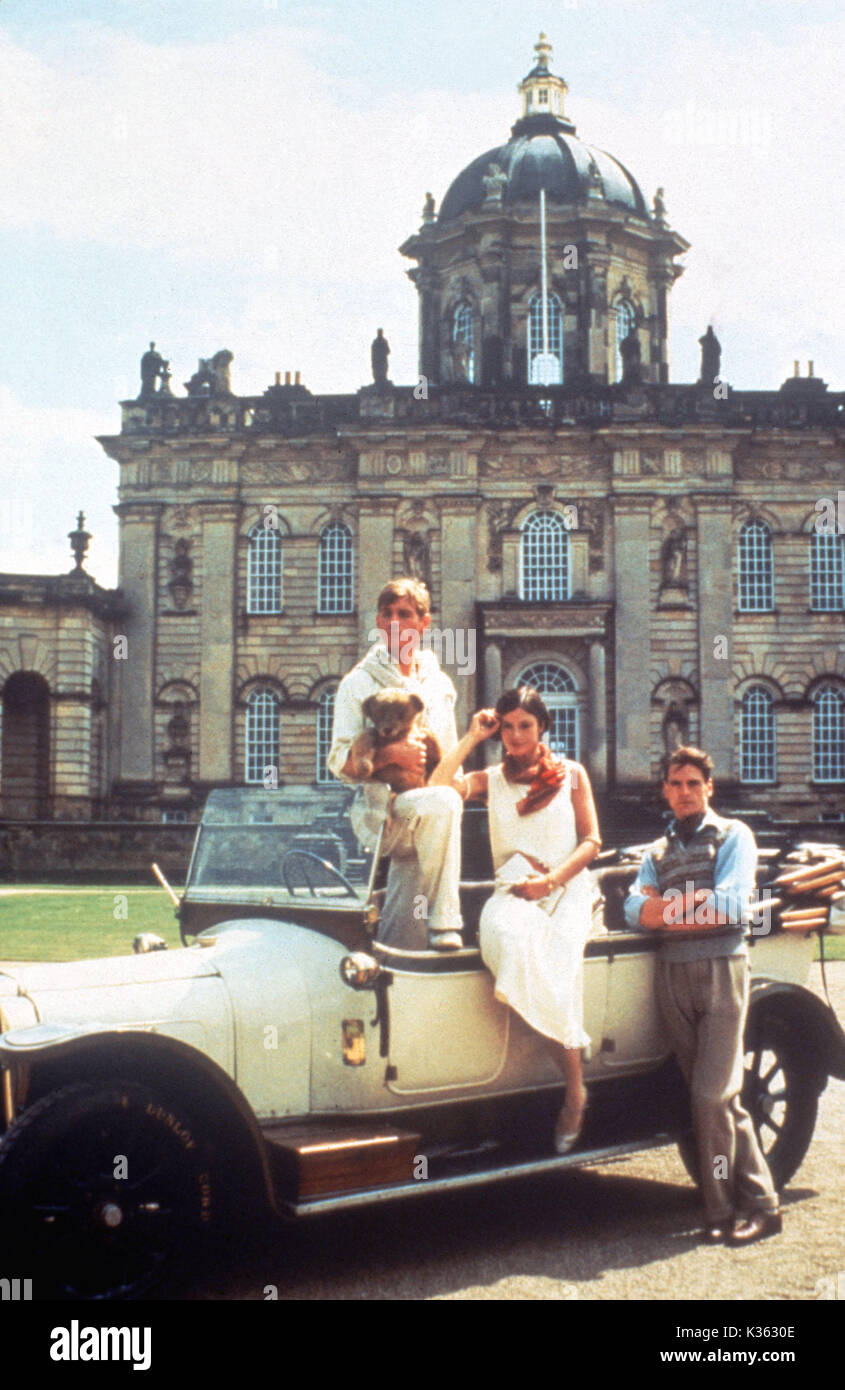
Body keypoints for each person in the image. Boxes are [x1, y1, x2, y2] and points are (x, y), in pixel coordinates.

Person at [429, 686, 602, 1152]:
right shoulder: (491, 779)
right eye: (507, 727)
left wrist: (552, 883)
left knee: (555, 957)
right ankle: (570, 1044)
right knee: (511, 938)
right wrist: (470, 737)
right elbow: (437, 788)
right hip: (512, 890)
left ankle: (574, 1094)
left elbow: (592, 842)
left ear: (542, 727)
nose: (516, 735)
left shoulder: (573, 775)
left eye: (526, 725)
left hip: (566, 889)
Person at [624, 746, 782, 1246]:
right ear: (665, 791)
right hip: (670, 974)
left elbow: (734, 906)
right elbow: (633, 912)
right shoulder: (655, 852)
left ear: (709, 788)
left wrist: (668, 907)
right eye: (676, 784)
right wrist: (695, 902)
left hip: (721, 968)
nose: (685, 792)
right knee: (718, 1104)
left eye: (694, 783)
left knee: (711, 1095)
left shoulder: (734, 836)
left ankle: (728, 1208)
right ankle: (753, 1205)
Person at [328, 577, 463, 951]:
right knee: (444, 804)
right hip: (382, 813)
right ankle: (447, 921)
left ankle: (400, 960)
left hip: (427, 809)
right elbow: (339, 762)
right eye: (387, 615)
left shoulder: (439, 684)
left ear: (424, 622)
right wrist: (391, 755)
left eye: (405, 615)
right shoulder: (358, 683)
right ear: (377, 622)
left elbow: (447, 759)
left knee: (405, 931)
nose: (395, 623)